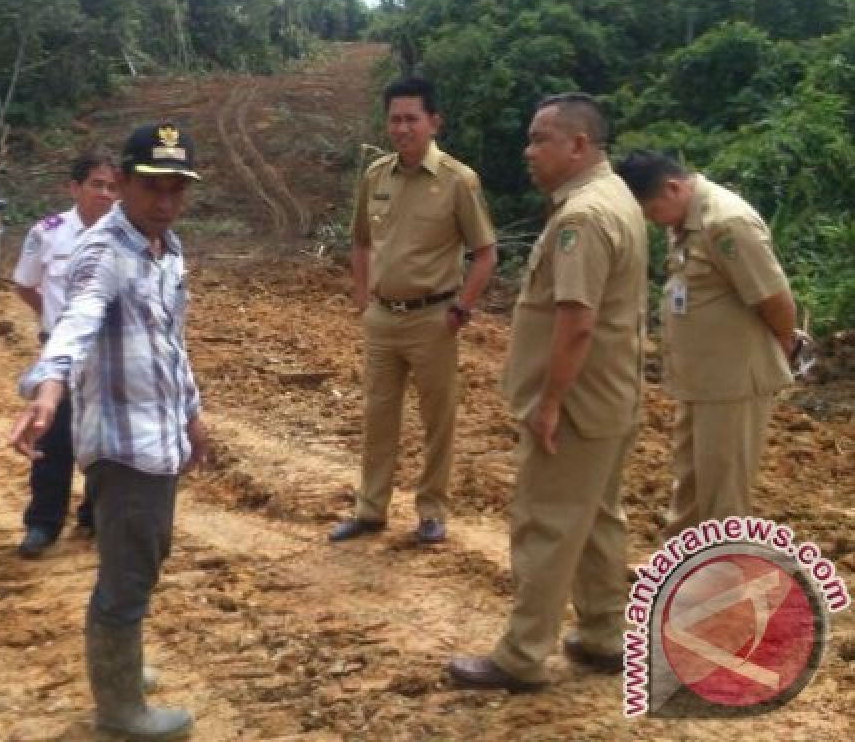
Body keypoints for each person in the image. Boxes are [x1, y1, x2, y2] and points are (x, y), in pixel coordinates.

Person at [10, 123, 206, 740]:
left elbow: (170, 345)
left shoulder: (167, 248)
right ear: (122, 182)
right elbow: (77, 321)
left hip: (160, 440)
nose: (166, 199)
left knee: (139, 559)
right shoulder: (106, 250)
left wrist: (193, 416)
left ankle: (121, 668)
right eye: (153, 185)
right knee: (128, 572)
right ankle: (119, 710)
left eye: (177, 186)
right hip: (124, 447)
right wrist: (48, 387)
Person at [446, 94, 647, 691]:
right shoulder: (617, 199)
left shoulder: (582, 217)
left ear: (578, 145)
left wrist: (551, 401)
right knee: (599, 518)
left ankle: (520, 655)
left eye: (540, 139)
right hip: (612, 395)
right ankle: (606, 631)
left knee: (547, 523)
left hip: (579, 403)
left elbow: (576, 321)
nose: (528, 151)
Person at [330, 75, 497, 546]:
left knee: (437, 420)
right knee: (378, 415)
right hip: (384, 317)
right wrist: (363, 297)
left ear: (433, 122)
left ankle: (431, 511)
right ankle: (370, 509)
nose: (402, 128)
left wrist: (462, 306)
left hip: (434, 318)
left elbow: (485, 252)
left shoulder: (458, 181)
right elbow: (361, 241)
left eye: (411, 119)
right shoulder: (375, 176)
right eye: (394, 119)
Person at [616, 151, 798, 537]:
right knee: (691, 484)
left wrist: (783, 347)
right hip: (700, 381)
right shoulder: (685, 220)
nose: (651, 220)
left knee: (723, 492)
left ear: (673, 187)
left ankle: (719, 585)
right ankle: (679, 570)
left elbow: (774, 299)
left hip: (732, 383)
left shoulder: (727, 223)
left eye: (651, 210)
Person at [11, 151, 118, 557]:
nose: (105, 194)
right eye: (97, 184)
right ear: (74, 188)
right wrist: (55, 321)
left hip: (107, 355)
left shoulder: (127, 235)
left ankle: (95, 515)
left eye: (112, 187)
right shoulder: (48, 233)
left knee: (106, 440)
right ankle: (43, 523)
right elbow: (24, 284)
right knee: (52, 438)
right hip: (60, 356)